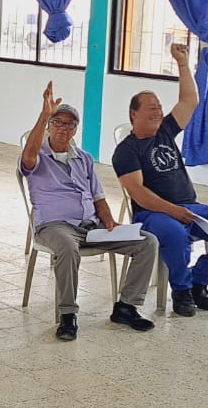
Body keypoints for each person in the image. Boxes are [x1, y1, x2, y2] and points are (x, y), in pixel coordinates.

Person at [115, 43, 208, 317]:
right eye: (151, 108)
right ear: (133, 114)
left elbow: (190, 100)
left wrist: (182, 63)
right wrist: (172, 211)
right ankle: (181, 289)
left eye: (159, 107)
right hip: (152, 214)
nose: (158, 112)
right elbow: (139, 193)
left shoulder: (165, 130)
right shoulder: (126, 150)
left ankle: (198, 282)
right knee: (176, 234)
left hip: (190, 206)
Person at [22, 82, 159, 340]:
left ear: (76, 129)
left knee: (147, 242)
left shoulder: (83, 158)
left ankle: (127, 307)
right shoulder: (37, 155)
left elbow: (98, 196)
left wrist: (109, 221)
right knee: (66, 247)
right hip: (54, 226)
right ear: (49, 125)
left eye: (69, 124)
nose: (63, 128)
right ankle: (67, 315)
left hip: (92, 226)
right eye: (57, 122)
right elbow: (28, 157)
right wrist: (44, 113)